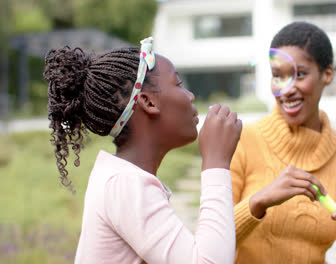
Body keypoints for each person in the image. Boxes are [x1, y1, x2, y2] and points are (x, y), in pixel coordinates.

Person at [43, 37, 242, 264]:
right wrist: (216, 161)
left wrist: (255, 205)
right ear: (148, 102)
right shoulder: (123, 184)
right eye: (178, 84)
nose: (190, 96)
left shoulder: (122, 179)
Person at [230, 22, 336, 263]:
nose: (287, 89)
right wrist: (259, 201)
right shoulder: (242, 142)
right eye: (277, 76)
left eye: (299, 74)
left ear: (327, 74)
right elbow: (210, 240)